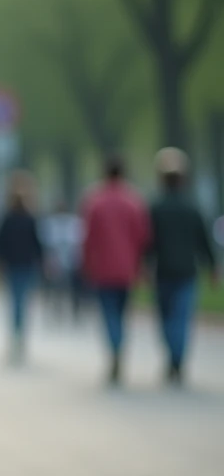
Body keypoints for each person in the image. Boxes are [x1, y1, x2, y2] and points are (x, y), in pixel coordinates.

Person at [147, 147, 218, 386]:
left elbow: (148, 243)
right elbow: (204, 241)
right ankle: (178, 360)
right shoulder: (192, 208)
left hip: (164, 271)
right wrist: (213, 267)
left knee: (166, 318)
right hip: (187, 271)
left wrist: (144, 264)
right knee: (182, 317)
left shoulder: (155, 208)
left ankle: (173, 358)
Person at [81, 155, 150, 386]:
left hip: (102, 268)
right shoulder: (134, 201)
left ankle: (115, 350)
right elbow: (142, 237)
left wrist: (86, 263)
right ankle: (119, 348)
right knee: (122, 313)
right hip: (127, 268)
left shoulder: (95, 201)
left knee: (109, 313)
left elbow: (88, 238)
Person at [0, 174, 46, 364]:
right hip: (27, 264)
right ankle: (20, 335)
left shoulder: (7, 218)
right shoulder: (30, 218)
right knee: (23, 302)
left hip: (12, 265)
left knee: (15, 302)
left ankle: (16, 335)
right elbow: (37, 243)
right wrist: (42, 261)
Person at [40, 200, 85, 323]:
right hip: (64, 261)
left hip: (65, 261)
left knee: (62, 288)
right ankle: (63, 309)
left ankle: (63, 309)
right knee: (64, 288)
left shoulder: (53, 224)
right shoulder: (74, 223)